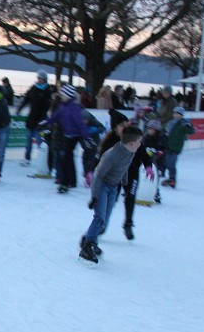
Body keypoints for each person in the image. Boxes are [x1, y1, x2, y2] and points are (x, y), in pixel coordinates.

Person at [79, 124, 143, 264]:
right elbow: (98, 175)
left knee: (104, 221)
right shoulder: (111, 155)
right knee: (99, 217)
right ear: (132, 143)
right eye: (139, 141)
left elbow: (125, 165)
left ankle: (90, 240)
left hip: (113, 187)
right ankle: (87, 246)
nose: (140, 144)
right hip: (101, 186)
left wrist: (125, 181)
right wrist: (95, 196)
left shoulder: (130, 152)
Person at [122, 120, 161, 240]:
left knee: (130, 198)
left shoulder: (140, 145)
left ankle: (128, 224)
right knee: (109, 199)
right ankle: (102, 223)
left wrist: (148, 167)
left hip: (133, 175)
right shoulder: (119, 144)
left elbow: (145, 157)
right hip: (117, 174)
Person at [46, 84, 85, 193]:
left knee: (65, 159)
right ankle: (68, 181)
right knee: (67, 159)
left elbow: (80, 124)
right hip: (65, 135)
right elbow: (55, 116)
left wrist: (86, 137)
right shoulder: (62, 104)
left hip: (71, 136)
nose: (61, 95)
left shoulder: (73, 107)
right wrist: (46, 122)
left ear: (68, 95)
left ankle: (65, 182)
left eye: (63, 94)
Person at [15, 71, 53, 168]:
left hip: (41, 119)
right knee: (28, 140)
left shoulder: (48, 90)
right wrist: (20, 108)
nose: (39, 80)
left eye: (41, 78)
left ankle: (42, 158)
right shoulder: (33, 88)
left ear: (44, 79)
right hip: (31, 118)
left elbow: (47, 106)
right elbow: (26, 99)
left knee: (40, 140)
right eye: (38, 78)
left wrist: (42, 119)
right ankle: (27, 158)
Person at [161, 105, 195, 188]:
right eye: (175, 113)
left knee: (171, 163)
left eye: (178, 114)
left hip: (176, 147)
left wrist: (188, 125)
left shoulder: (183, 123)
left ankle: (172, 179)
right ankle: (170, 178)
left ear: (181, 115)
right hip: (168, 145)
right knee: (167, 163)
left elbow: (191, 131)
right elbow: (164, 130)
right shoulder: (171, 122)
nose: (176, 115)